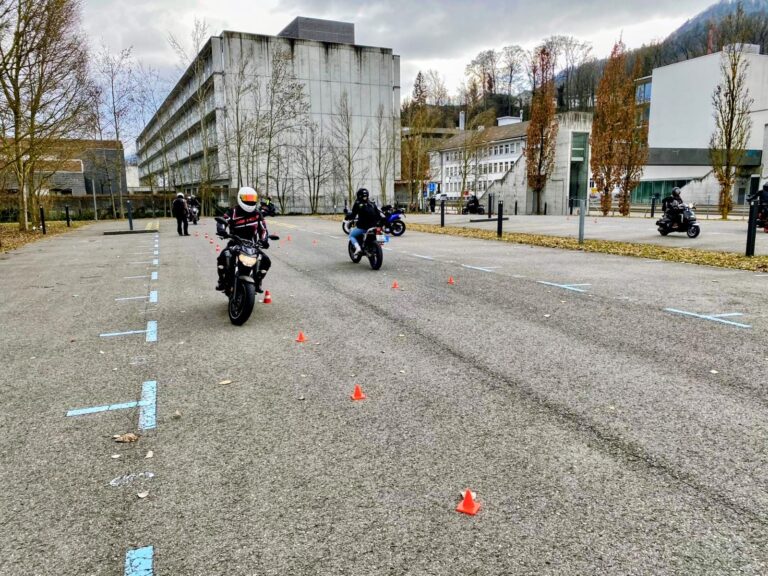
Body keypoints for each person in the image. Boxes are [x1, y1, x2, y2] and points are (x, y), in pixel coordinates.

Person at [216, 187, 271, 292]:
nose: (250, 201)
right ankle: (222, 280)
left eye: (252, 198)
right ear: (240, 198)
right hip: (235, 242)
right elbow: (222, 221)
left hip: (252, 244)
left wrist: (264, 240)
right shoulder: (233, 212)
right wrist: (221, 230)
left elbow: (263, 230)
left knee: (266, 261)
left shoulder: (257, 214)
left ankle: (258, 280)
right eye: (247, 198)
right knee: (222, 256)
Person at [347, 188, 381, 256]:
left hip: (363, 227)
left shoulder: (357, 203)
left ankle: (358, 248)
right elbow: (378, 214)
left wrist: (347, 216)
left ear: (358, 195)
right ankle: (373, 246)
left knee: (351, 235)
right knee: (379, 236)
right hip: (375, 226)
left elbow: (353, 215)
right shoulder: (372, 203)